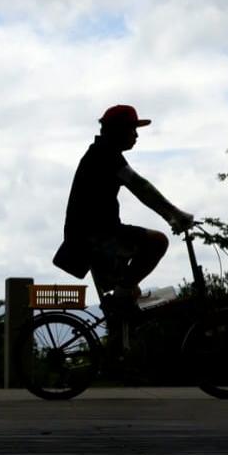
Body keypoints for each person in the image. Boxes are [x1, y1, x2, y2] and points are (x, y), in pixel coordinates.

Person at [55, 105, 196, 324]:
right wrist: (175, 214)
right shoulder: (106, 155)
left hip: (88, 236)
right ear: (118, 130)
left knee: (131, 295)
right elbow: (141, 187)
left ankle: (120, 343)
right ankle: (120, 308)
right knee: (158, 242)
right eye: (132, 129)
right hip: (95, 236)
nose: (136, 135)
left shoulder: (101, 152)